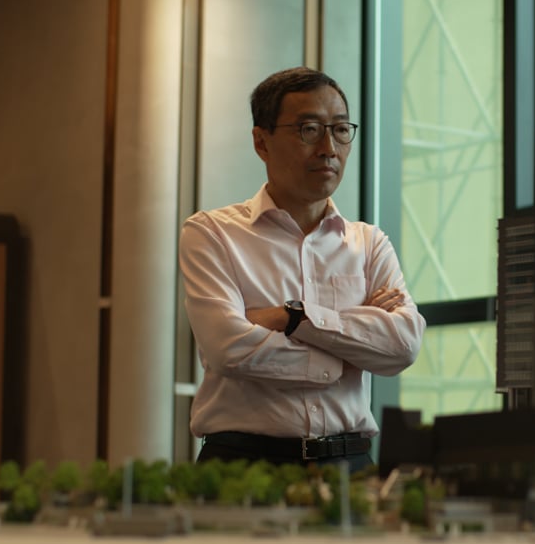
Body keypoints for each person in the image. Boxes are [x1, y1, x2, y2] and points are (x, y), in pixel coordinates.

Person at [179, 67, 426, 474]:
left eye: (341, 129)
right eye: (309, 129)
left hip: (350, 465)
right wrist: (346, 355)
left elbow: (403, 345)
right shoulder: (212, 233)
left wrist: (290, 317)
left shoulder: (369, 243)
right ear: (262, 141)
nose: (329, 147)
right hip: (244, 465)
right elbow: (228, 348)